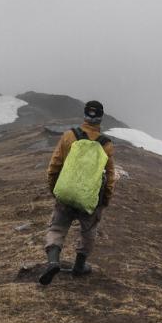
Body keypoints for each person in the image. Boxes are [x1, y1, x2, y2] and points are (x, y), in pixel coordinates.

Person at [40, 100, 116, 285]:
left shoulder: (69, 137)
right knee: (88, 231)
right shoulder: (106, 145)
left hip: (65, 194)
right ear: (100, 118)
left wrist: (55, 190)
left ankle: (53, 262)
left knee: (57, 228)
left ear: (84, 115)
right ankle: (79, 266)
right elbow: (110, 177)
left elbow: (54, 167)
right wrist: (104, 201)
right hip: (89, 198)